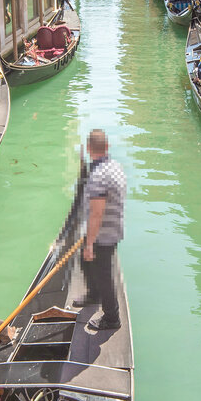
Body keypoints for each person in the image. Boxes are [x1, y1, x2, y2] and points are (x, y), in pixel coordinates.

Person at [75, 129, 126, 332]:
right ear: (107, 147)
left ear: (89, 149)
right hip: (113, 227)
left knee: (104, 274)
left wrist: (89, 243)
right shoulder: (116, 167)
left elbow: (96, 213)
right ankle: (93, 294)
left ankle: (112, 318)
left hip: (102, 234)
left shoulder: (98, 176)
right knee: (86, 261)